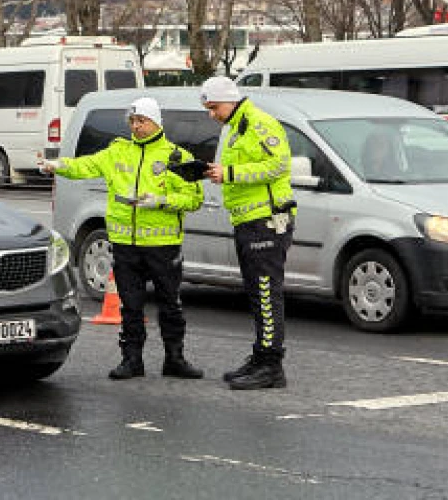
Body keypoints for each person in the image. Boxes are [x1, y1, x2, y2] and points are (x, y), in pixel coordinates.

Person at [40, 97, 205, 381]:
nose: (137, 126)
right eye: (133, 121)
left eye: (142, 121)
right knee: (130, 304)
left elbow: (194, 199)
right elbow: (85, 166)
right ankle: (132, 360)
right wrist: (57, 165)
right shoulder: (117, 152)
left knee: (170, 304)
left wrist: (160, 201)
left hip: (162, 246)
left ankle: (175, 358)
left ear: (156, 122)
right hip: (125, 243)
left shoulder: (176, 157)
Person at [199, 76, 295, 390]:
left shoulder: (258, 123)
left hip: (266, 220)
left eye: (214, 107)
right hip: (247, 220)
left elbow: (279, 165)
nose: (211, 114)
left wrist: (229, 173)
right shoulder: (234, 128)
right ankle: (261, 355)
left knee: (267, 293)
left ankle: (271, 366)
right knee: (257, 294)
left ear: (230, 99)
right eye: (207, 109)